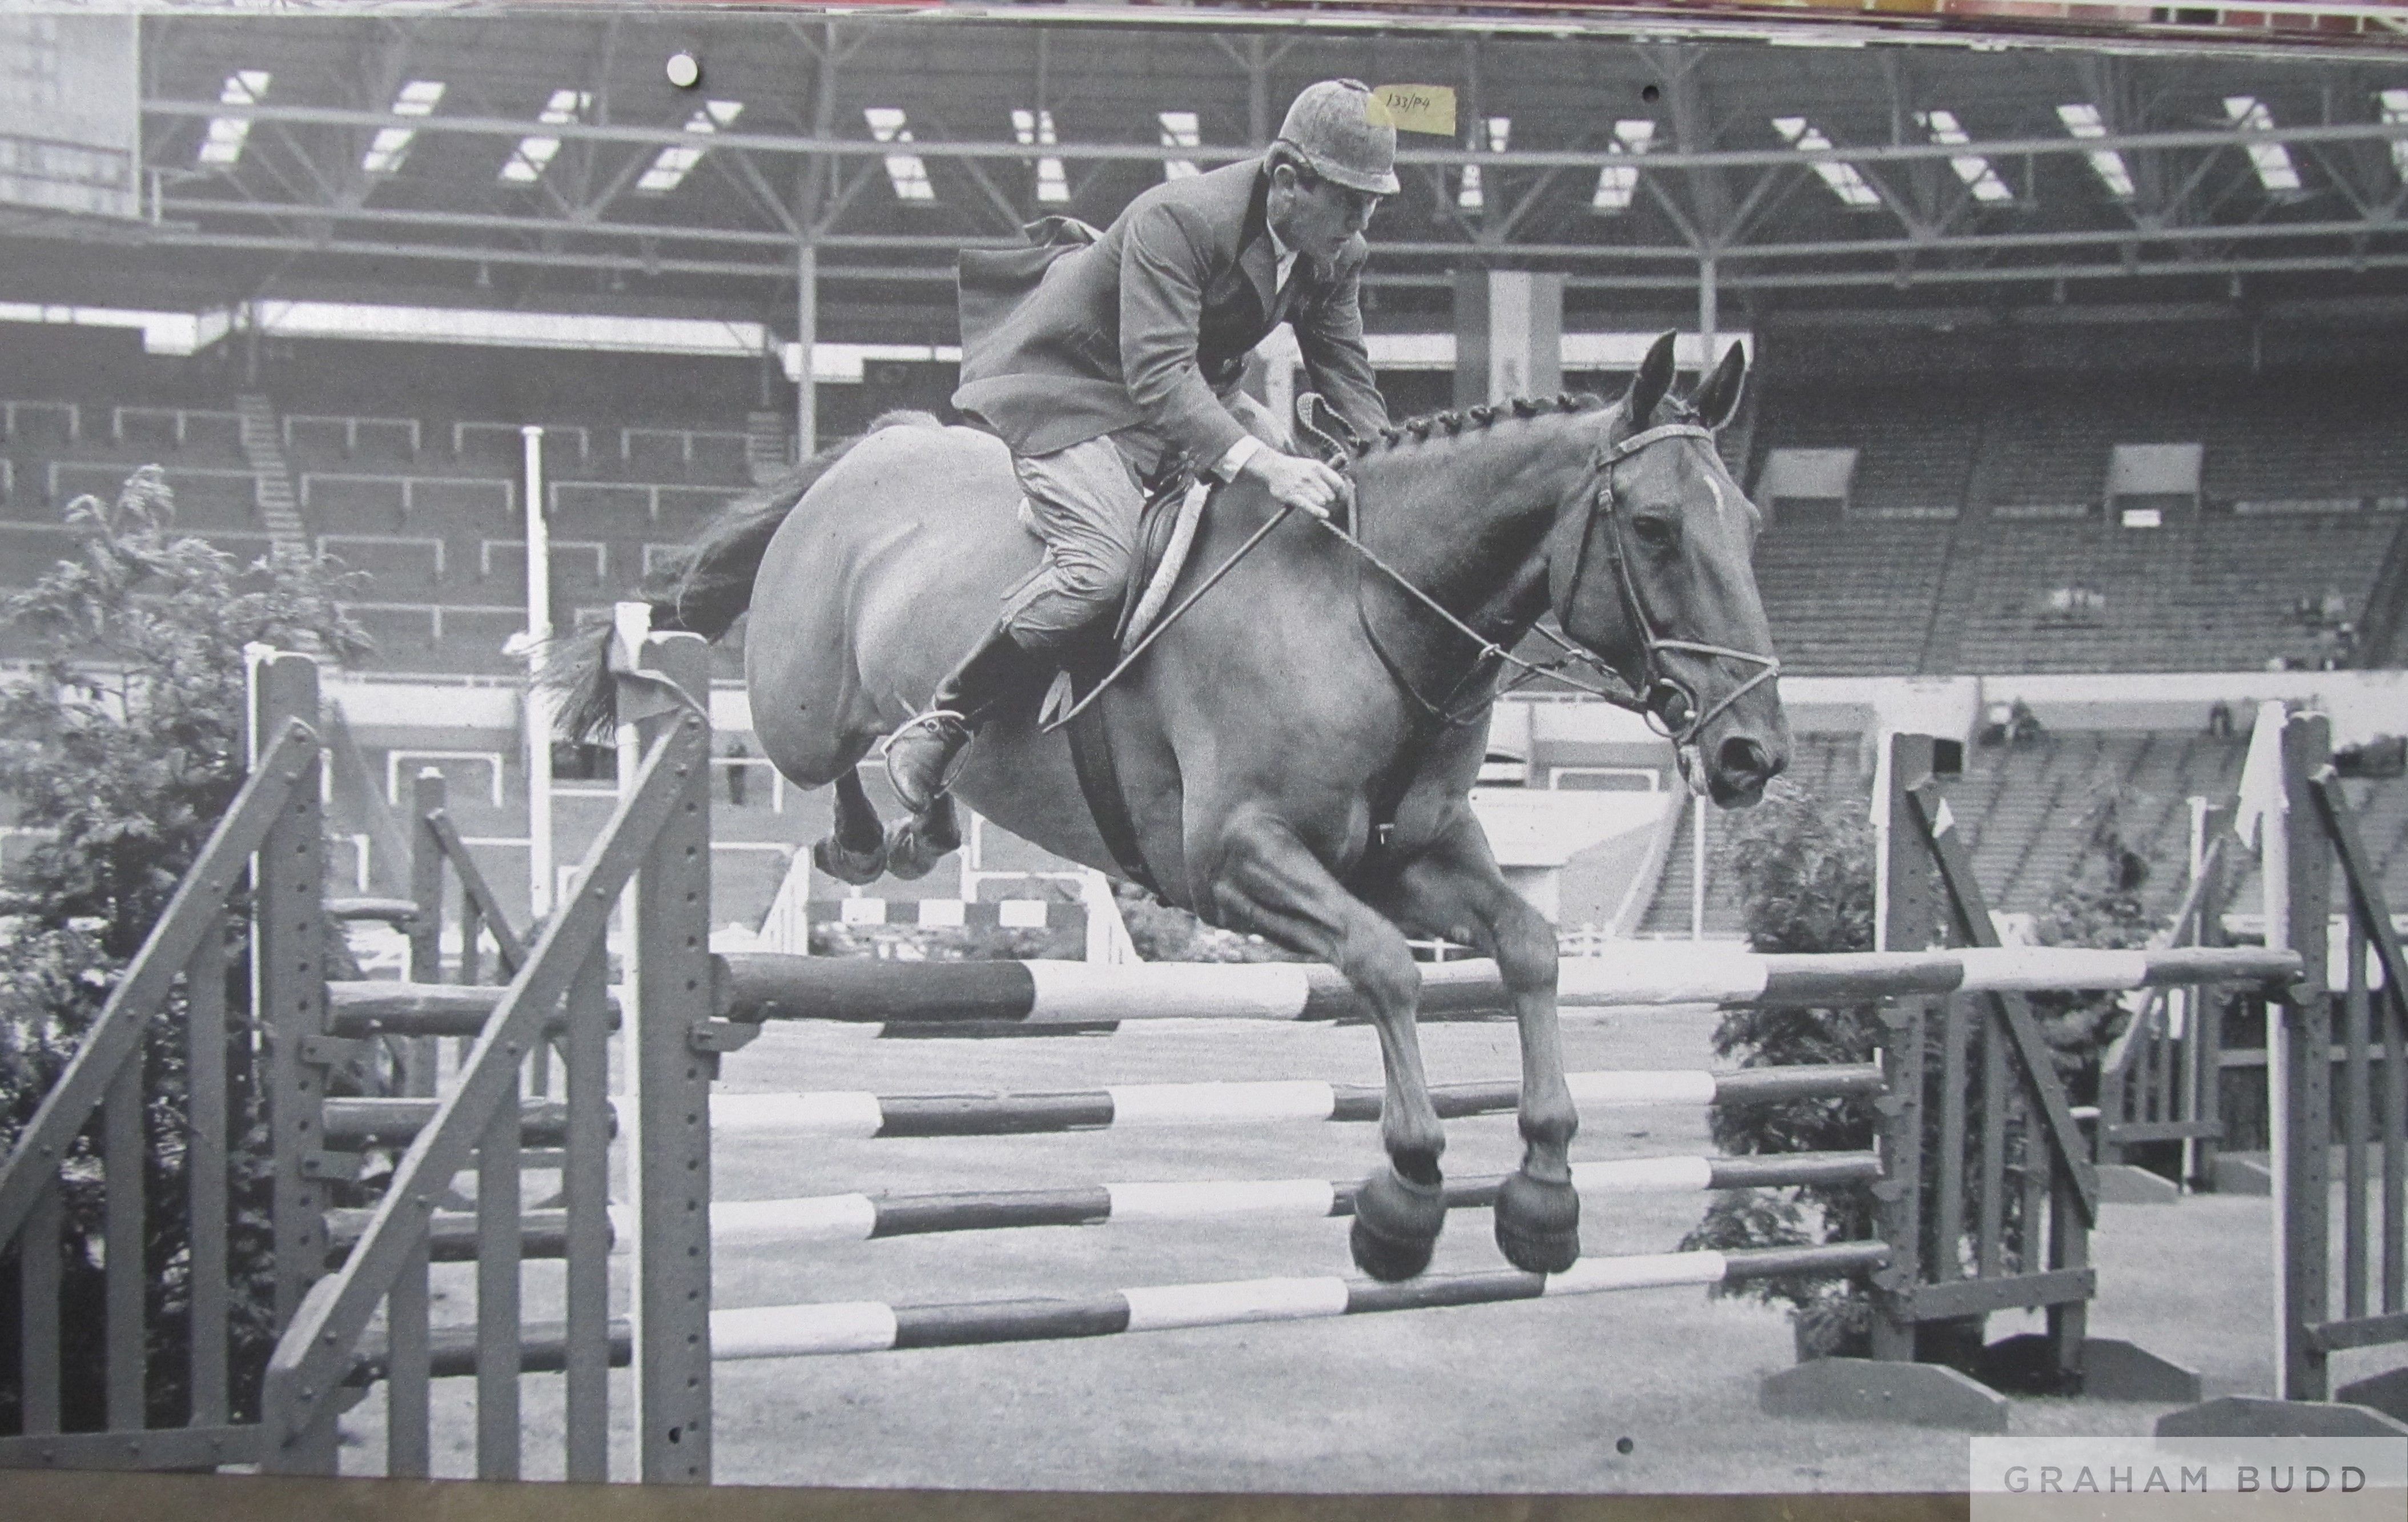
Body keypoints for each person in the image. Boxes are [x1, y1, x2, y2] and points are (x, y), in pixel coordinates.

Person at [883, 78, 1398, 812]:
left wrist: (1390, 466)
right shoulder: (1180, 219)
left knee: (1300, 516)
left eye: (1373, 202)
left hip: (1197, 395)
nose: (1361, 220)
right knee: (1101, 570)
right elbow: (1155, 375)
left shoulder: (1336, 250)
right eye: (1351, 199)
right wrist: (1268, 464)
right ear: (1288, 180)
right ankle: (945, 719)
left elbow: (1345, 372)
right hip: (1077, 391)